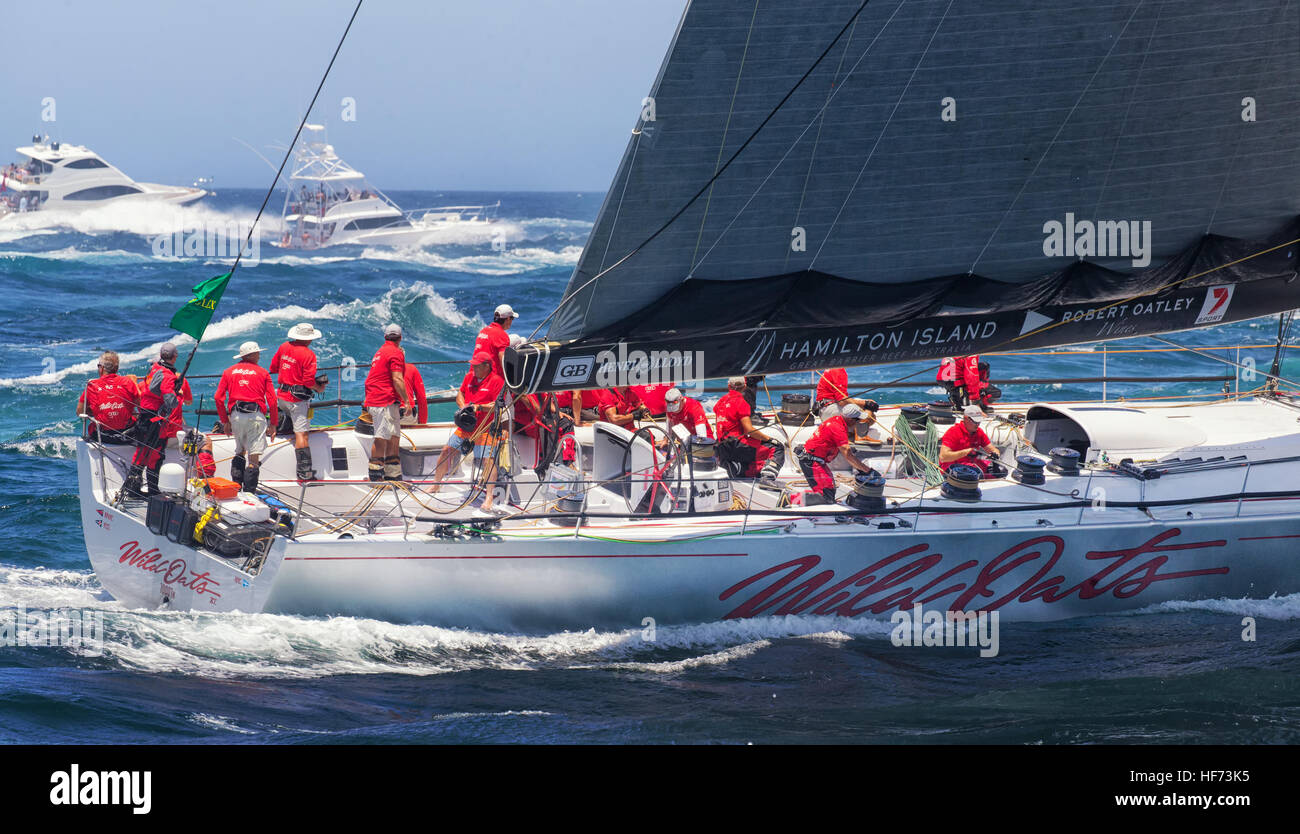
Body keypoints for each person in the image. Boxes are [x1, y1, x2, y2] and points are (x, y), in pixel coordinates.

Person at [429, 352, 505, 510]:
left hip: (485, 428)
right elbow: (460, 393)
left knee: (487, 461)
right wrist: (463, 405)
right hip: (466, 426)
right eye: (474, 365)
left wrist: (479, 407)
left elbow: (497, 405)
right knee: (446, 450)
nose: (474, 368)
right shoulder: (469, 377)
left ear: (487, 366)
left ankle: (489, 496)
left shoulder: (497, 381)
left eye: (477, 365)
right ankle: (436, 485)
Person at [124, 342, 192, 497]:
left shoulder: (154, 369)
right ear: (174, 357)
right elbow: (171, 401)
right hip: (155, 421)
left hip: (145, 417)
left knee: (141, 454)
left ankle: (132, 488)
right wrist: (179, 393)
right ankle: (153, 491)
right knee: (155, 456)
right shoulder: (168, 376)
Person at [215, 341, 278, 492]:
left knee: (239, 452)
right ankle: (250, 494)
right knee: (253, 458)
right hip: (255, 417)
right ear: (253, 355)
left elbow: (218, 398)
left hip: (236, 416)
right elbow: (272, 400)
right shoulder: (263, 373)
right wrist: (273, 423)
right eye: (258, 353)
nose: (260, 355)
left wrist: (225, 421)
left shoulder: (228, 372)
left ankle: (236, 489)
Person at [269, 322, 327, 480]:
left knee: (290, 421)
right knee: (302, 435)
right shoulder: (309, 354)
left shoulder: (284, 346)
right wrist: (319, 388)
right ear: (309, 338)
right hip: (296, 400)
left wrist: (290, 371)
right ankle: (305, 473)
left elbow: (273, 368)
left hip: (281, 396)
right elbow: (308, 382)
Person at [796, 403, 876, 503]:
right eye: (858, 420)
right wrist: (866, 470)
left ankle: (820, 500)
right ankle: (789, 498)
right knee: (826, 497)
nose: (858, 422)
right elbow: (847, 453)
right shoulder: (837, 428)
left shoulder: (837, 420)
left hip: (816, 460)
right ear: (851, 420)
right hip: (811, 462)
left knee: (830, 490)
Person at [713, 376, 784, 485]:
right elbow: (749, 430)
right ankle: (767, 478)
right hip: (736, 446)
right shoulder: (742, 403)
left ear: (729, 386)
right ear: (745, 387)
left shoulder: (720, 402)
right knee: (777, 448)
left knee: (756, 462)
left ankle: (737, 468)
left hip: (721, 447)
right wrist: (769, 439)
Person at [362, 324, 409, 481]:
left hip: (385, 401)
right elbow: (397, 378)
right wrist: (407, 401)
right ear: (400, 338)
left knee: (394, 437)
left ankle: (393, 476)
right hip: (382, 401)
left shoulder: (380, 351)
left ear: (385, 337)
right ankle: (376, 478)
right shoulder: (395, 352)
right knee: (381, 439)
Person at [77, 351, 137, 444]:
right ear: (116, 368)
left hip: (103, 435)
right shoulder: (128, 382)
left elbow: (80, 412)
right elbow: (142, 405)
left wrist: (97, 410)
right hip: (128, 434)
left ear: (102, 368)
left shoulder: (92, 385)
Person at [938, 404, 1000, 474]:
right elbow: (943, 457)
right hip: (953, 467)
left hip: (971, 465)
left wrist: (995, 454)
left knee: (1000, 471)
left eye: (979, 422)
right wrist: (966, 452)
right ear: (966, 419)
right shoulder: (953, 432)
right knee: (973, 474)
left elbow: (992, 449)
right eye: (975, 422)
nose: (977, 424)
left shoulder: (979, 432)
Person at [473, 303, 517, 379]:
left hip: (475, 374)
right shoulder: (501, 334)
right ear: (507, 319)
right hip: (491, 379)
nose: (512, 321)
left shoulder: (484, 331)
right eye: (512, 318)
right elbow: (503, 360)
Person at [401, 361, 427, 425]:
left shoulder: (383, 369)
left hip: (386, 413)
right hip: (406, 414)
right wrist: (422, 422)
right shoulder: (411, 368)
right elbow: (421, 397)